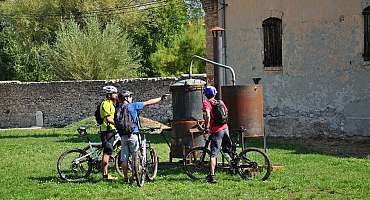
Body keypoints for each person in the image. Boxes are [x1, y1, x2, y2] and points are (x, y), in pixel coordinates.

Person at [115, 91, 168, 183]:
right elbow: (148, 102)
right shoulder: (133, 106)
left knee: (124, 158)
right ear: (126, 98)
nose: (132, 98)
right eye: (130, 96)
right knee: (135, 155)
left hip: (123, 136)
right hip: (133, 134)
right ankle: (134, 177)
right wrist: (161, 98)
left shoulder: (118, 108)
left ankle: (125, 178)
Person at [202, 85, 230, 183]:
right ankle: (236, 164)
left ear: (205, 94)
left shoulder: (206, 103)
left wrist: (206, 127)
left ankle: (212, 176)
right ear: (214, 94)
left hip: (216, 130)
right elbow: (226, 112)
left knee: (213, 154)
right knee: (228, 149)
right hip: (225, 128)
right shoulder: (220, 102)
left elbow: (208, 117)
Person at [100, 85, 118, 180]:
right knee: (107, 152)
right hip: (106, 130)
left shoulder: (111, 103)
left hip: (111, 130)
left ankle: (105, 174)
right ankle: (105, 175)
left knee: (108, 151)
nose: (116, 95)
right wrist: (118, 124)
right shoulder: (106, 103)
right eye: (114, 93)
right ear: (109, 94)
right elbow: (108, 118)